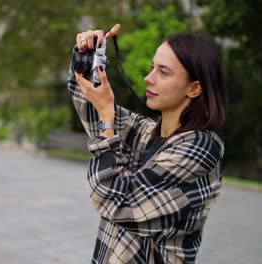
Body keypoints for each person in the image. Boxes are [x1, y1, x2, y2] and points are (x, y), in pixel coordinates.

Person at [68, 24, 225, 263]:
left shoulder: (201, 149)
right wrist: (88, 56)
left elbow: (116, 202)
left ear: (194, 88)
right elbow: (90, 105)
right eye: (153, 68)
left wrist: (107, 123)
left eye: (163, 72)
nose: (148, 78)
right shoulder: (148, 133)